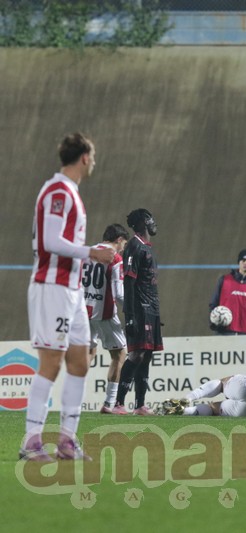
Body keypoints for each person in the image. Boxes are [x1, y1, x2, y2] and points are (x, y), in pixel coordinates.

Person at [21, 132, 115, 461]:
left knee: (80, 361)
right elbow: (50, 240)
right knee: (51, 362)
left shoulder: (69, 191)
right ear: (85, 157)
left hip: (72, 290)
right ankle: (31, 442)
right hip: (53, 286)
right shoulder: (58, 191)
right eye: (93, 156)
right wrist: (92, 252)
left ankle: (67, 441)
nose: (94, 161)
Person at [113, 208, 162, 416]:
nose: (153, 222)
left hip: (151, 309)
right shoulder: (134, 246)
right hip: (140, 310)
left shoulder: (146, 247)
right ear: (142, 223)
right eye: (149, 218)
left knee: (147, 354)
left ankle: (140, 405)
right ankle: (118, 403)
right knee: (136, 354)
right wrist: (130, 316)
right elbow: (129, 282)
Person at [82, 223, 130, 414]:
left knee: (88, 352)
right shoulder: (114, 257)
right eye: (124, 244)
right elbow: (119, 294)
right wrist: (133, 310)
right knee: (119, 355)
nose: (123, 248)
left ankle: (74, 398)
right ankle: (109, 404)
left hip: (83, 311)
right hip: (104, 313)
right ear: (119, 240)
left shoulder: (88, 252)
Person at [209, 248, 246, 335]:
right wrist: (214, 323)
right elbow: (213, 305)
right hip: (225, 333)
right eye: (243, 260)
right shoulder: (224, 281)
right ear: (239, 262)